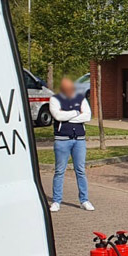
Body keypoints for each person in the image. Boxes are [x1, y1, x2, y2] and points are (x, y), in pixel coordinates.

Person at [49, 77, 93, 212]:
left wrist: (68, 117)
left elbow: (87, 116)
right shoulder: (55, 100)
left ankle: (84, 200)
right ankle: (56, 201)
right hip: (62, 140)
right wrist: (75, 113)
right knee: (59, 171)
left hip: (79, 140)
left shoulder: (81, 99)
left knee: (80, 171)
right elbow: (58, 116)